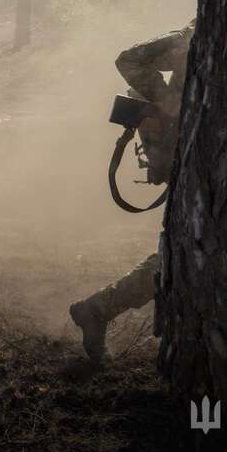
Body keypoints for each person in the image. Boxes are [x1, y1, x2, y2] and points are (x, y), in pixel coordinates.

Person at [70, 20, 195, 364]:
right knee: (187, 254)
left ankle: (98, 309)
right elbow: (130, 60)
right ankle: (98, 309)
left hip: (209, 163)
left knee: (187, 252)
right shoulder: (197, 36)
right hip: (197, 163)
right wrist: (175, 107)